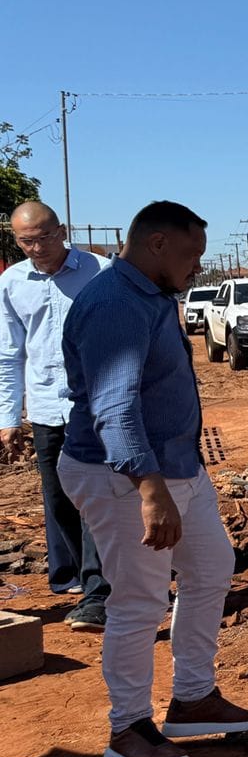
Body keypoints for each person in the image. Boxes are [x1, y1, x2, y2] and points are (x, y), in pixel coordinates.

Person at [58, 201, 248, 757]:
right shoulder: (115, 304)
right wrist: (150, 490)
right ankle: (127, 727)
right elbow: (114, 407)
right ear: (156, 244)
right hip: (125, 476)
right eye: (192, 255)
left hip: (176, 469)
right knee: (139, 600)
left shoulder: (149, 296)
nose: (198, 267)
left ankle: (193, 698)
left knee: (211, 568)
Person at [0, 202, 112, 630]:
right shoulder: (12, 283)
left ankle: (99, 592)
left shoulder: (101, 272)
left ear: (62, 231)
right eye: (26, 241)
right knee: (59, 496)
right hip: (46, 407)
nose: (37, 247)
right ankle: (78, 578)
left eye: (45, 237)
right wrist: (9, 417)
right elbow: (9, 355)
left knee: (96, 496)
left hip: (94, 405)